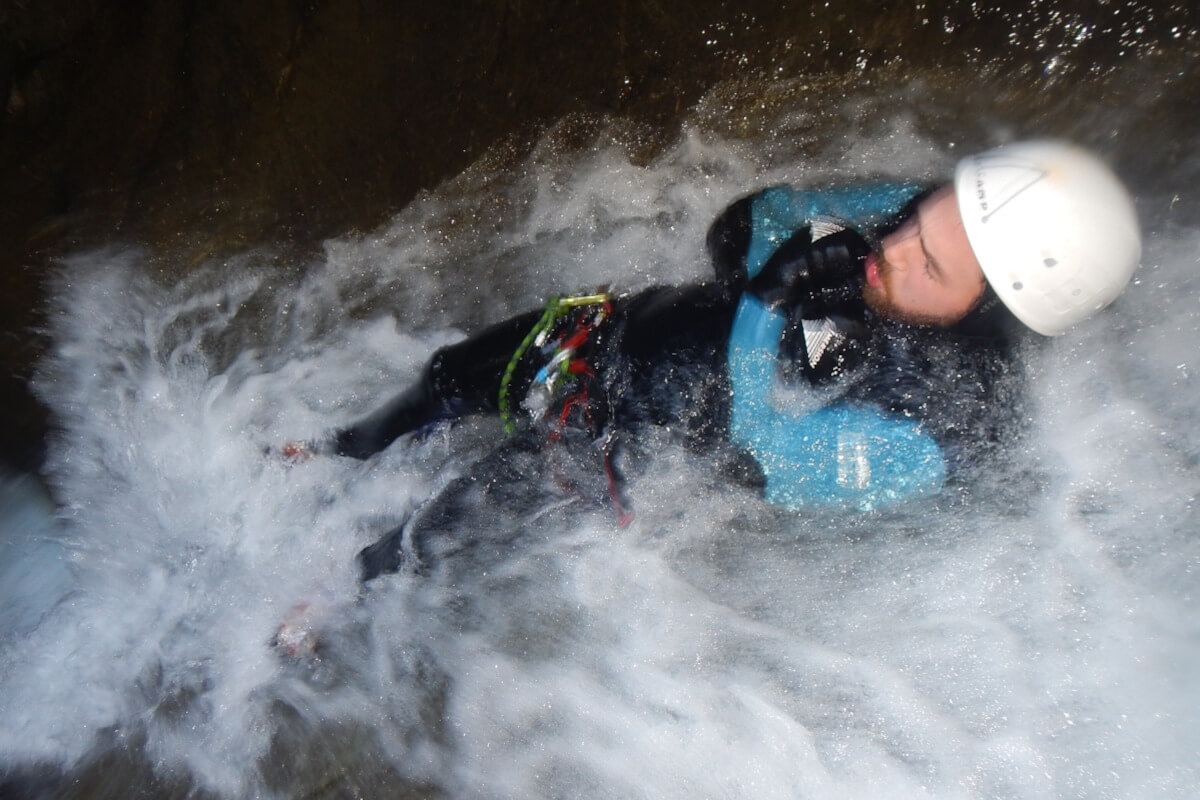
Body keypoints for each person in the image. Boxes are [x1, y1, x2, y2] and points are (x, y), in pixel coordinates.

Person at [282, 139, 1141, 584]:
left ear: (991, 306)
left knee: (432, 534)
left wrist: (773, 302)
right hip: (634, 332)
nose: (898, 246)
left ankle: (330, 604)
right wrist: (789, 248)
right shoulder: (932, 217)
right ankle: (337, 450)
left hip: (633, 460)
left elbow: (756, 459)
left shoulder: (943, 422)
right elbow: (740, 226)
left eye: (932, 264)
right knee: (444, 378)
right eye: (917, 219)